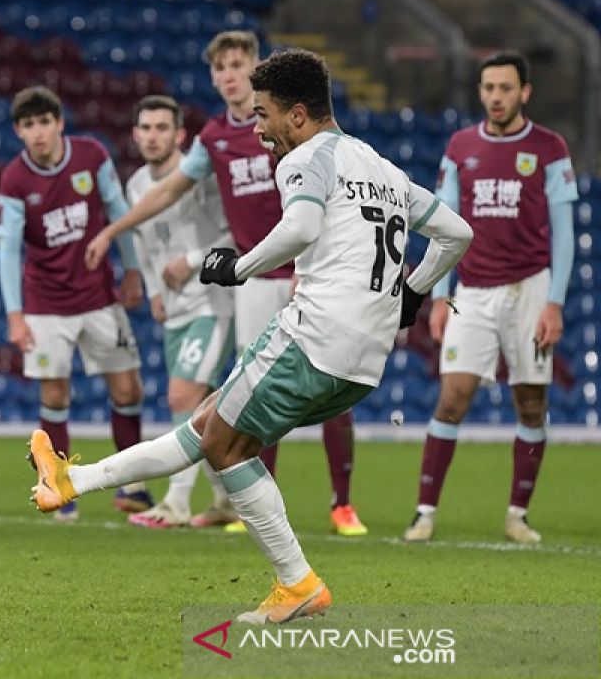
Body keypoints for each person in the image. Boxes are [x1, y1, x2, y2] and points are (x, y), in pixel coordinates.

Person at [29, 48, 473, 624]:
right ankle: (72, 480)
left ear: (297, 114)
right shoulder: (381, 168)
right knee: (208, 425)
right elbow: (456, 232)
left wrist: (236, 267)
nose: (256, 128)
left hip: (313, 335)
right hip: (364, 362)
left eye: (262, 114)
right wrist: (413, 293)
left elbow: (302, 226)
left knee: (223, 444)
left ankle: (297, 582)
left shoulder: (305, 158)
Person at [85, 31, 367, 537]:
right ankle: (254, 506)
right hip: (256, 276)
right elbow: (169, 189)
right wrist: (115, 228)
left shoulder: (289, 127)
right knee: (259, 393)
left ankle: (341, 504)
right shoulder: (214, 138)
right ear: (213, 77)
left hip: (314, 270)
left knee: (332, 390)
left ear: (256, 67)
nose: (231, 74)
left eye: (239, 63)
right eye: (221, 67)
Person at [403, 51, 577, 544]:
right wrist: (440, 295)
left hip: (530, 290)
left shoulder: (549, 147)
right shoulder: (461, 147)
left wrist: (555, 303)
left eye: (505, 88)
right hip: (472, 293)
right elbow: (443, 225)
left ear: (525, 92)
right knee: (453, 396)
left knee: (530, 402)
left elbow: (564, 233)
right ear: (480, 92)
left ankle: (517, 515)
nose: (496, 97)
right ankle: (425, 513)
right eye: (488, 88)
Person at [0, 85, 150, 523]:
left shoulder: (91, 156)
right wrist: (15, 316)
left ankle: (132, 485)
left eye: (45, 122)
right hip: (46, 306)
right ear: (18, 132)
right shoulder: (14, 179)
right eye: (29, 125)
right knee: (55, 393)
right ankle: (60, 484)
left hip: (100, 299)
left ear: (59, 123)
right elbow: (8, 250)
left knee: (128, 389)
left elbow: (119, 210)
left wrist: (133, 270)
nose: (38, 132)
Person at [122, 95, 237, 529]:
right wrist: (154, 288)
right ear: (136, 135)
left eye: (161, 128)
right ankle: (226, 500)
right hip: (175, 308)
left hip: (214, 302)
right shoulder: (136, 186)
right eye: (146, 128)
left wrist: (190, 261)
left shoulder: (202, 177)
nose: (153, 137)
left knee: (181, 397)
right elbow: (145, 244)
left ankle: (176, 502)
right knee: (199, 408)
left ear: (179, 135)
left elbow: (237, 234)